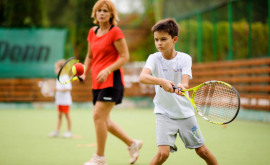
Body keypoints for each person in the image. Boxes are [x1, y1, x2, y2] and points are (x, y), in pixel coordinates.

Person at [139, 18, 219, 165]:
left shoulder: (185, 59)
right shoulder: (154, 58)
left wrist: (181, 87)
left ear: (174, 39)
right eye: (156, 40)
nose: (159, 43)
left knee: (203, 152)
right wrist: (162, 82)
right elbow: (143, 77)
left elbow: (184, 82)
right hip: (164, 114)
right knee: (163, 154)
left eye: (163, 39)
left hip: (185, 114)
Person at [80, 1, 142, 164]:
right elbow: (90, 56)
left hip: (112, 81)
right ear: (95, 13)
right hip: (97, 82)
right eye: (99, 10)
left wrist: (107, 69)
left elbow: (124, 56)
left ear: (111, 14)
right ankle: (132, 144)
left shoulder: (115, 32)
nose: (101, 13)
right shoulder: (92, 32)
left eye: (105, 11)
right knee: (104, 120)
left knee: (97, 116)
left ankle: (99, 158)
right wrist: (84, 71)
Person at [48, 59, 73, 138]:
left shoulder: (65, 78)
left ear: (62, 68)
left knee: (67, 116)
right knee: (59, 116)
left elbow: (68, 88)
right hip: (59, 101)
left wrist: (56, 89)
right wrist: (55, 96)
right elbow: (58, 89)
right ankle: (57, 131)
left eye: (57, 68)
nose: (55, 70)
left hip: (65, 101)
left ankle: (69, 131)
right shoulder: (58, 78)